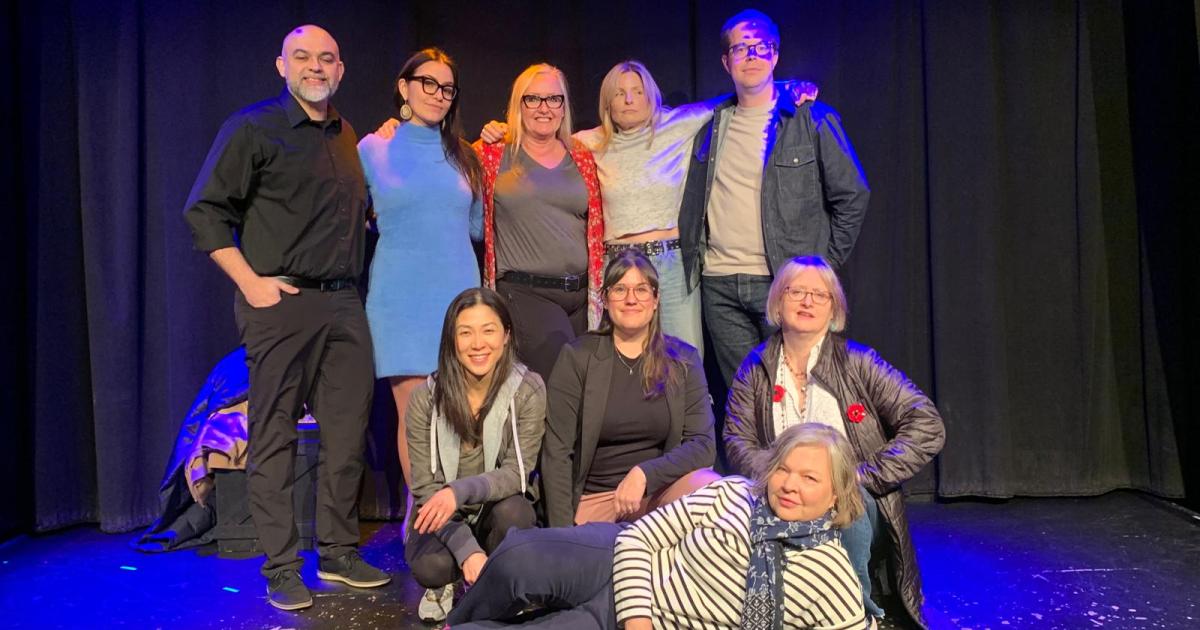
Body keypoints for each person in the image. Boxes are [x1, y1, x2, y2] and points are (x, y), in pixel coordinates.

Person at [182, 25, 388, 611]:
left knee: (347, 435)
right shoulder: (253, 128)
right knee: (273, 435)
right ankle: (280, 567)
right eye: (303, 57)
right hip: (283, 303)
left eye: (326, 58)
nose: (315, 67)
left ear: (341, 69)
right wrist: (250, 283)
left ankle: (339, 553)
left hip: (345, 303)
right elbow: (204, 211)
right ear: (281, 66)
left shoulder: (347, 135)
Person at [472, 61, 818, 352]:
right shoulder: (586, 143)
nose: (628, 99)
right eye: (619, 93)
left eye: (637, 91)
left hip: (669, 263)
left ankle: (690, 434)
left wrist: (785, 86)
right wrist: (501, 132)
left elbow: (731, 101)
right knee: (623, 361)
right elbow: (537, 139)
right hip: (617, 263)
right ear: (607, 103)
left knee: (685, 359)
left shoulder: (679, 125)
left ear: (652, 96)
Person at [446, 423, 867, 629]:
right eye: (784, 470)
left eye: (810, 478)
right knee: (520, 558)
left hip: (655, 617)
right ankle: (459, 619)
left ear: (836, 495)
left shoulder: (831, 579)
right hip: (624, 563)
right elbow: (639, 537)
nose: (790, 485)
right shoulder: (736, 494)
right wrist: (639, 621)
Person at [723, 255, 946, 628]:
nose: (807, 302)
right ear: (779, 301)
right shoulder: (756, 366)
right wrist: (778, 480)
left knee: (850, 510)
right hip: (784, 494)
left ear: (833, 309)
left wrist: (860, 476)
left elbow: (927, 424)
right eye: (797, 292)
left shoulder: (858, 362)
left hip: (851, 497)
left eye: (819, 294)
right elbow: (736, 440)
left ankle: (852, 613)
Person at [678, 9, 872, 387]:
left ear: (776, 55)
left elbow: (852, 195)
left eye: (761, 47)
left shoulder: (812, 118)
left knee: (797, 389)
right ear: (725, 60)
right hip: (719, 283)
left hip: (784, 283)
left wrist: (821, 267)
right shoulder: (706, 127)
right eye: (740, 48)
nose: (751, 56)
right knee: (747, 398)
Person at [355, 47, 482, 618]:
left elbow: (478, 227)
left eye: (447, 87)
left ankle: (448, 529)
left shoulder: (465, 156)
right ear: (402, 86)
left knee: (462, 424)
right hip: (401, 299)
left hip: (459, 300)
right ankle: (435, 543)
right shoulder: (372, 148)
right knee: (416, 428)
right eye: (425, 82)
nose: (436, 93)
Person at [541, 249, 719, 528]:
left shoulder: (683, 359)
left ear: (656, 299)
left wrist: (644, 474)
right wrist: (562, 534)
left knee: (712, 488)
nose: (631, 299)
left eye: (641, 289)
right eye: (620, 289)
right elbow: (557, 452)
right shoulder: (577, 357)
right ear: (605, 299)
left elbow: (703, 445)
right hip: (597, 502)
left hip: (657, 494)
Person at [404, 288, 546, 623]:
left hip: (495, 509)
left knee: (516, 515)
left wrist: (458, 491)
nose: (477, 344)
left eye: (488, 330)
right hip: (445, 516)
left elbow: (517, 474)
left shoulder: (529, 389)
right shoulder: (425, 399)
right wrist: (468, 552)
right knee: (431, 566)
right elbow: (426, 491)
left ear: (506, 335)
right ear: (451, 340)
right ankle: (451, 582)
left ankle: (499, 584)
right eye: (465, 332)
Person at [474, 63, 605, 381]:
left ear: (564, 106)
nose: (544, 108)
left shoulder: (582, 156)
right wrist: (397, 128)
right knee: (560, 379)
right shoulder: (493, 154)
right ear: (518, 105)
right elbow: (444, 160)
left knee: (581, 392)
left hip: (582, 296)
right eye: (533, 99)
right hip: (525, 291)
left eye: (553, 99)